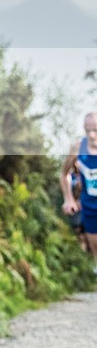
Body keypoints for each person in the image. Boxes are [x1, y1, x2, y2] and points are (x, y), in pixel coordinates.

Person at [60, 112, 97, 269]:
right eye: (87, 130)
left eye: (95, 129)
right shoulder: (77, 147)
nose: (91, 135)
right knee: (94, 247)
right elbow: (64, 173)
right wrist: (68, 198)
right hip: (89, 205)